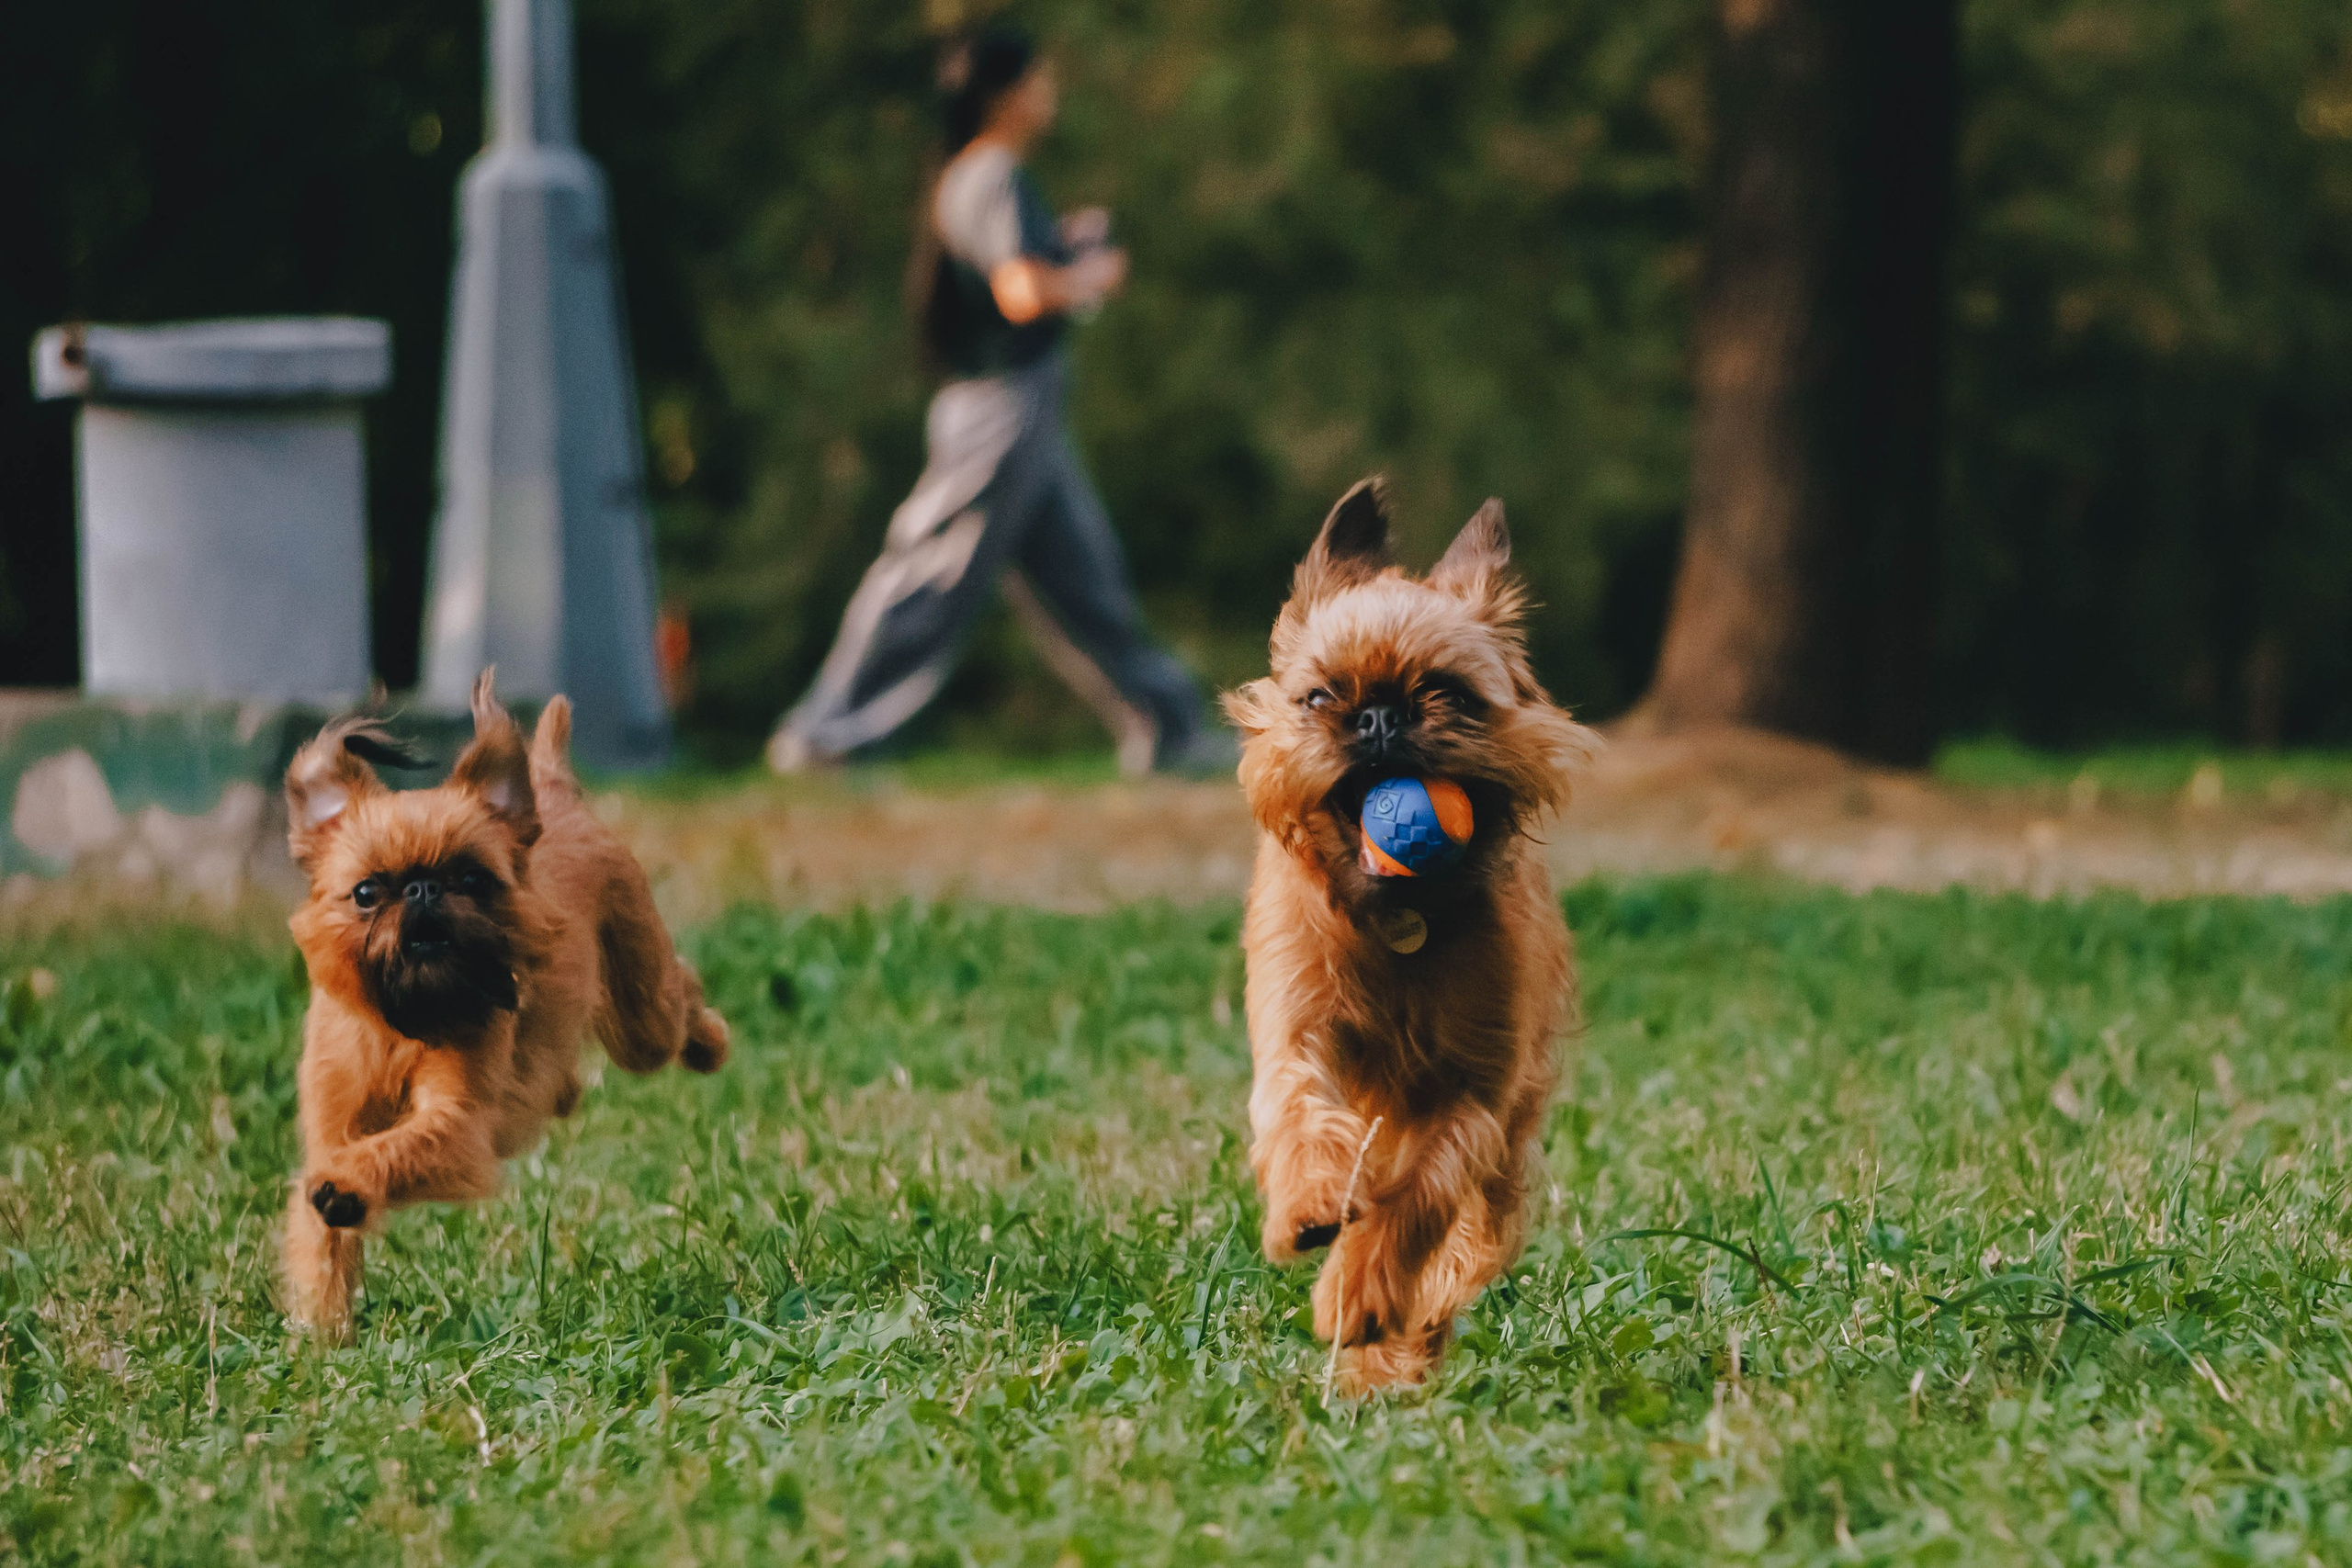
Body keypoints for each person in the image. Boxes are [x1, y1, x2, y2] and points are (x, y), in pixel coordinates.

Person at [766, 27, 1230, 775]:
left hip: (1024, 408)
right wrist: (1092, 277)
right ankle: (826, 732)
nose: (1049, 95)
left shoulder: (974, 177)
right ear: (1005, 95)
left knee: (1085, 580)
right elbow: (1019, 293)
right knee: (932, 571)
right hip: (998, 408)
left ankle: (1168, 729)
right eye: (1039, 81)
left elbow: (1010, 271)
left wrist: (1061, 248)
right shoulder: (989, 175)